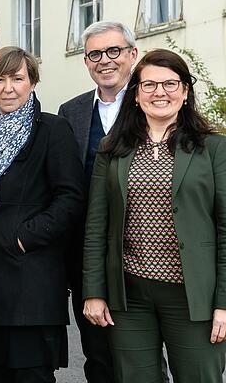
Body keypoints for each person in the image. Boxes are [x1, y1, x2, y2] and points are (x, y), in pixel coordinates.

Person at [82, 49, 226, 382]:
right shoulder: (112, 148)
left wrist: (223, 303)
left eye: (170, 84)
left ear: (186, 92)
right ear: (135, 94)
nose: (159, 92)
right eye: (149, 85)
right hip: (130, 296)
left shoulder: (214, 149)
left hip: (194, 297)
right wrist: (94, 290)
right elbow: (96, 226)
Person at [0, 47, 84, 382]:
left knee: (31, 374)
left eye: (17, 78)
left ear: (32, 82)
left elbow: (70, 198)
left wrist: (24, 236)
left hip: (30, 281)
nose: (8, 87)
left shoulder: (52, 129)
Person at [57, 21, 138, 383]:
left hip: (145, 255)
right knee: (98, 356)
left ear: (132, 55)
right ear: (86, 61)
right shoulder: (71, 112)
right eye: (94, 54)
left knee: (142, 357)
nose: (104, 60)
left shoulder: (151, 99)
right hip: (87, 257)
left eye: (114, 51)